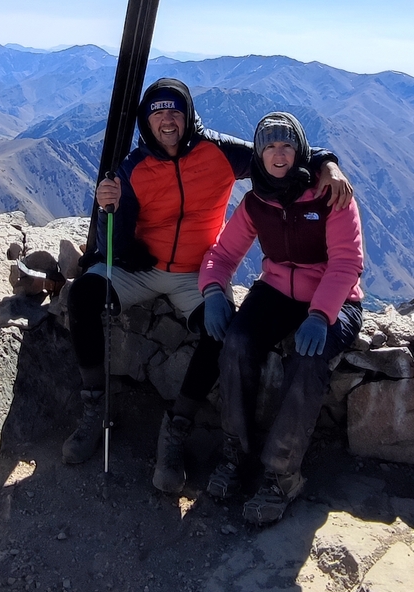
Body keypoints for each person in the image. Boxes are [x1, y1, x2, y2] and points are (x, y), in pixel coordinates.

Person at [64, 81, 351, 494]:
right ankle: (94, 406)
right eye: (158, 111)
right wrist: (107, 208)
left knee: (219, 335)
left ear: (189, 116)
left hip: (194, 273)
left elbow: (279, 158)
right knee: (83, 296)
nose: (167, 119)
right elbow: (115, 245)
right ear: (146, 119)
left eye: (176, 111)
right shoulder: (131, 167)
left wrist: (329, 164)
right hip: (140, 268)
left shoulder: (219, 151)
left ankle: (176, 429)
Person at [199, 111, 363, 526]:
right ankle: (237, 453)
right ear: (258, 152)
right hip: (276, 291)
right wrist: (215, 290)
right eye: (269, 145)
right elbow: (223, 253)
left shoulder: (331, 194)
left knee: (308, 362)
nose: (278, 153)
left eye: (286, 145)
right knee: (236, 342)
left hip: (335, 298)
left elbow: (347, 262)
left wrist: (321, 314)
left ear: (300, 150)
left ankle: (281, 474)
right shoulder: (258, 202)